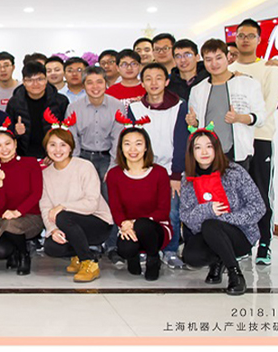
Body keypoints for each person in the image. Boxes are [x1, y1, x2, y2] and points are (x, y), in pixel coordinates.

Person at [179, 126, 266, 296]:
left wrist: (225, 218)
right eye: (198, 147)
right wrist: (208, 209)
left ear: (216, 148)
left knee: (212, 225)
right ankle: (219, 260)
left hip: (240, 234)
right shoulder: (188, 179)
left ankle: (235, 273)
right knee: (191, 256)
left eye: (209, 146)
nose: (204, 152)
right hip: (208, 234)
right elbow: (186, 216)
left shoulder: (234, 172)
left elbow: (258, 206)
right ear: (191, 152)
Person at [229, 18, 278, 266]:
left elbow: (269, 105)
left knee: (262, 192)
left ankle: (264, 244)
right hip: (235, 141)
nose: (245, 40)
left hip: (260, 138)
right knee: (237, 195)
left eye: (250, 35)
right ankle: (242, 243)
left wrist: (247, 120)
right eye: (241, 35)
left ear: (259, 39)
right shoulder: (228, 69)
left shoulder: (270, 69)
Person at [127, 62, 189, 269]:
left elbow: (181, 141)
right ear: (142, 83)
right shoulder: (134, 108)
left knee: (171, 212)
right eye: (148, 79)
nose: (153, 83)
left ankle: (170, 250)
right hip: (142, 170)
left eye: (159, 78)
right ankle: (144, 249)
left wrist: (176, 174)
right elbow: (131, 140)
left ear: (167, 81)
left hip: (171, 171)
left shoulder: (180, 106)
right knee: (141, 211)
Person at [39, 121, 114, 283]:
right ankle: (79, 255)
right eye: (52, 145)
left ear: (71, 147)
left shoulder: (84, 166)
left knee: (62, 216)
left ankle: (89, 262)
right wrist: (52, 230)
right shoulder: (45, 175)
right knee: (51, 247)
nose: (58, 150)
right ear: (46, 148)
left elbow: (92, 203)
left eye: (63, 145)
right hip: (68, 225)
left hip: (97, 223)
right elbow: (45, 207)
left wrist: (63, 206)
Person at [66, 65, 124, 262]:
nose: (95, 86)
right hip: (83, 156)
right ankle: (90, 243)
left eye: (99, 82)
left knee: (110, 200)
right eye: (90, 83)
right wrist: (75, 166)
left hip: (108, 157)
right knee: (85, 201)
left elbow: (118, 139)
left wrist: (113, 166)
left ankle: (112, 244)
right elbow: (72, 138)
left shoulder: (117, 106)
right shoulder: (74, 108)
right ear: (84, 85)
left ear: (106, 84)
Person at [186, 39, 266, 169]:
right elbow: (196, 123)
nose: (214, 64)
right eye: (208, 59)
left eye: (218, 58)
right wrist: (193, 122)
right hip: (208, 155)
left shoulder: (248, 84)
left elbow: (261, 118)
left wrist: (239, 118)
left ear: (228, 57)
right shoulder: (197, 90)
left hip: (238, 154)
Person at [106, 127, 173, 281]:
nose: (133, 149)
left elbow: (163, 210)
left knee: (143, 225)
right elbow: (116, 208)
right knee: (125, 249)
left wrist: (134, 222)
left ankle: (153, 259)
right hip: (128, 228)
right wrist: (125, 224)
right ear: (121, 148)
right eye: (127, 144)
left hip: (156, 228)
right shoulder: (114, 174)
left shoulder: (160, 173)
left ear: (146, 147)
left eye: (138, 144)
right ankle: (133, 257)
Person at [0, 125, 44, 275]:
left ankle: (24, 255)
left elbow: (36, 194)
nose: (4, 149)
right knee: (0, 252)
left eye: (7, 143)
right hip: (4, 219)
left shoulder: (30, 163)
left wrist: (17, 212)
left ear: (15, 144)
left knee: (11, 223)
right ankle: (16, 250)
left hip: (31, 217)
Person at [5, 61, 69, 159]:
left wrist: (53, 154)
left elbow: (67, 131)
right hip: (23, 156)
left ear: (46, 79)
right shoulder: (14, 102)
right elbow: (7, 132)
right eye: (30, 80)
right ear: (24, 82)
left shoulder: (60, 101)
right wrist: (16, 132)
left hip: (55, 155)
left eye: (40, 79)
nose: (35, 84)